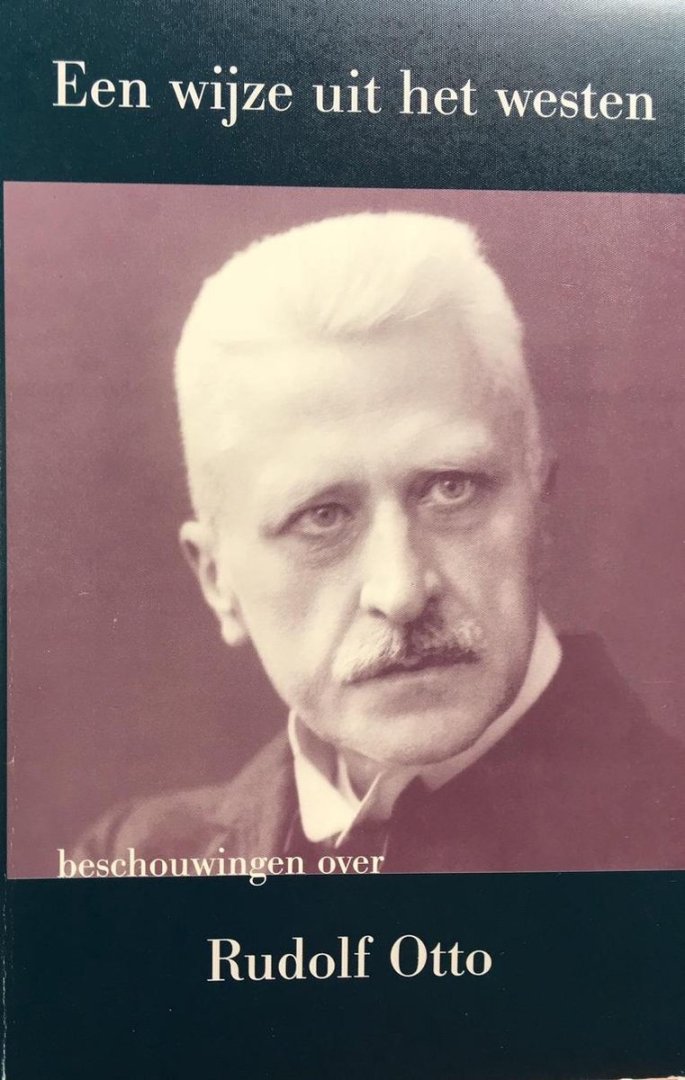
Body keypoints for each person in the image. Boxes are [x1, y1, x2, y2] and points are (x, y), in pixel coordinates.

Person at [77, 211, 684, 874]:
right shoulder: (131, 864)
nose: (400, 592)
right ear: (217, 580)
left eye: (450, 488)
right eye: (321, 517)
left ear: (540, 507)